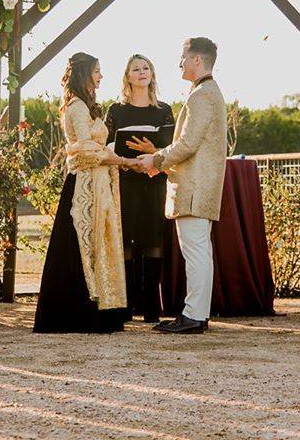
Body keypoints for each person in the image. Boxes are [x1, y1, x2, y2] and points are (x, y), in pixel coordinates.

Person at [33, 52, 140, 333]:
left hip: (98, 183)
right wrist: (123, 161)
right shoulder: (77, 107)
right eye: (97, 71)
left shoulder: (87, 106)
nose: (101, 76)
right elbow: (85, 148)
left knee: (100, 243)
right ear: (83, 74)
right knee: (82, 244)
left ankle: (102, 309)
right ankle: (79, 312)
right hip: (83, 184)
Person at [137, 37, 227, 334]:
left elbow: (187, 144)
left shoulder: (201, 95)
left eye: (183, 57)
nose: (180, 63)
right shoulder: (208, 92)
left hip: (194, 187)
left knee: (196, 251)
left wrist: (156, 160)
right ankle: (196, 313)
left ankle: (194, 315)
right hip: (198, 185)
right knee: (199, 251)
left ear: (197, 60)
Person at [105, 54, 175, 323]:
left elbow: (171, 148)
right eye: (136, 69)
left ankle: (151, 307)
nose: (142, 72)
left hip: (154, 180)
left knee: (152, 239)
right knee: (128, 240)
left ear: (152, 74)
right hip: (126, 179)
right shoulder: (116, 110)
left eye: (146, 68)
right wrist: (126, 162)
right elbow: (108, 145)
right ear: (127, 77)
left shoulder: (164, 110)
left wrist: (151, 152)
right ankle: (127, 304)